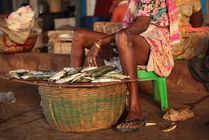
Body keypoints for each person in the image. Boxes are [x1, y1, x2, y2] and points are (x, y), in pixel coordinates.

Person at [70, 0, 179, 131]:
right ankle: (71, 93)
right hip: (132, 40)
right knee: (79, 35)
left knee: (122, 36)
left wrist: (101, 41)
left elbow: (141, 25)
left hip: (155, 45)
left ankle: (135, 108)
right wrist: (102, 42)